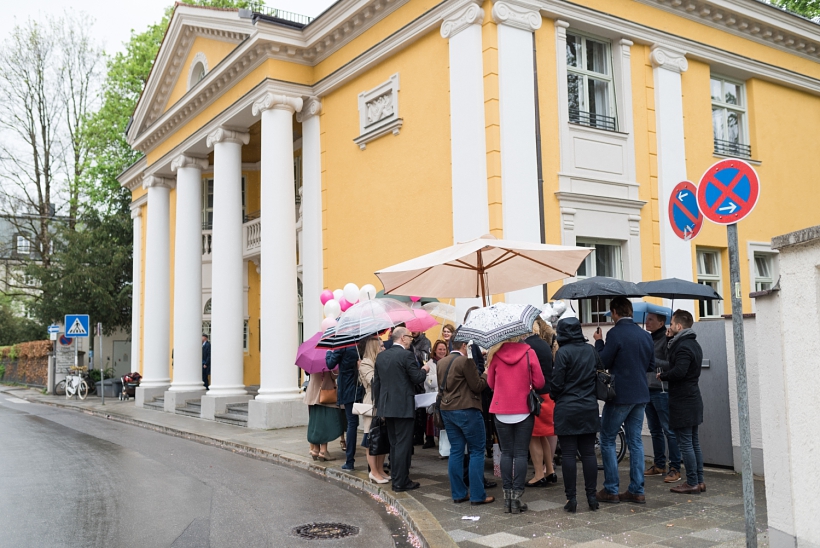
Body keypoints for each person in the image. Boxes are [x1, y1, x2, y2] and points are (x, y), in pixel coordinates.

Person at [593, 296, 655, 505]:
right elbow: (651, 364)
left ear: (615, 312)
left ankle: (611, 489)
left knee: (608, 438)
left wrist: (599, 342)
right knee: (635, 441)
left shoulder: (615, 333)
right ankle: (637, 490)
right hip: (641, 394)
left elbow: (603, 361)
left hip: (621, 395)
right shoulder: (645, 335)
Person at [486, 335, 544, 514]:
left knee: (507, 453)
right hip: (523, 409)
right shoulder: (529, 353)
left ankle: (507, 498)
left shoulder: (495, 355)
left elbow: (490, 383)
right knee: (520, 454)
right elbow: (540, 382)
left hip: (501, 408)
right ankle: (517, 498)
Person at [550, 317, 601, 513]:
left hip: (567, 407)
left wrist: (555, 395)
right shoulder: (590, 350)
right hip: (588, 406)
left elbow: (557, 383)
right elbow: (600, 370)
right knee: (589, 453)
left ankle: (571, 499)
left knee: (569, 454)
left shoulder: (562, 353)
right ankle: (591, 497)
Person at [372, 327, 430, 492]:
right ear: (403, 338)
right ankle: (401, 481)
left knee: (394, 444)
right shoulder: (406, 355)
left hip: (386, 407)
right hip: (403, 407)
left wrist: (379, 406)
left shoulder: (381, 356)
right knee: (403, 445)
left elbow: (377, 384)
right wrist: (425, 369)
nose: (412, 339)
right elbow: (417, 378)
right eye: (410, 337)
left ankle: (397, 479)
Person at [437, 339, 493, 505]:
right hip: (467, 409)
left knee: (456, 451)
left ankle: (459, 493)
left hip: (447, 410)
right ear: (463, 346)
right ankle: (477, 495)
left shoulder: (441, 362)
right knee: (476, 450)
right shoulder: (466, 361)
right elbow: (477, 386)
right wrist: (486, 373)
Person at [659, 309, 705, 495]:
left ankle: (692, 481)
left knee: (686, 443)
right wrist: (669, 341)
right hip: (692, 398)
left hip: (683, 400)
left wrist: (663, 376)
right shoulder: (692, 343)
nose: (669, 327)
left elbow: (679, 371)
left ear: (679, 326)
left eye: (671, 324)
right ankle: (699, 481)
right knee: (693, 442)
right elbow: (676, 362)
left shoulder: (684, 346)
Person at [643, 312, 682, 484]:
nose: (647, 322)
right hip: (647, 389)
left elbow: (670, 364)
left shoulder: (667, 340)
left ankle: (675, 467)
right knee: (654, 430)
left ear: (661, 322)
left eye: (651, 319)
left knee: (669, 430)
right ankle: (659, 464)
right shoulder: (647, 339)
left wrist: (653, 361)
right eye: (647, 318)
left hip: (662, 390)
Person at [524, 318, 558, 487]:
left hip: (536, 396)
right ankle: (549, 470)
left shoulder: (527, 348)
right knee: (543, 435)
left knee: (533, 436)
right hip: (548, 394)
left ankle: (538, 474)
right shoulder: (544, 344)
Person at [326, 346, 364, 471]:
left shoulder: (341, 346)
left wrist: (328, 353)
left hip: (348, 390)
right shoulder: (358, 345)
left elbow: (330, 364)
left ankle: (350, 461)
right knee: (362, 422)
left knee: (351, 424)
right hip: (359, 388)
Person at [358, 337, 389, 484]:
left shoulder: (379, 362)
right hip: (371, 402)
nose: (384, 348)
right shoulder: (366, 363)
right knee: (371, 438)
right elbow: (373, 381)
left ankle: (380, 469)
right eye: (381, 346)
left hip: (382, 402)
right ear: (373, 348)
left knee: (382, 437)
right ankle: (373, 471)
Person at [304, 367, 346, 462]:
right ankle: (323, 451)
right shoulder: (328, 358)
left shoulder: (313, 359)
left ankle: (315, 449)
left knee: (315, 423)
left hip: (313, 393)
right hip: (326, 393)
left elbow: (307, 371)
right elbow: (334, 375)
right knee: (324, 423)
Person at [422, 340, 447, 449]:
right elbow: (429, 381)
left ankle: (444, 446)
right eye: (440, 349)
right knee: (434, 421)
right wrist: (442, 376)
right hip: (433, 397)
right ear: (435, 350)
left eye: (444, 349)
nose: (442, 351)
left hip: (446, 398)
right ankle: (432, 440)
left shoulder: (448, 361)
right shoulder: (430, 364)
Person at [409, 330, 432, 446]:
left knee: (423, 410)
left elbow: (425, 357)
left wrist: (413, 350)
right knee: (415, 410)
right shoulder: (410, 342)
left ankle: (423, 436)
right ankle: (416, 435)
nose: (413, 331)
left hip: (422, 378)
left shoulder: (425, 342)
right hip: (413, 377)